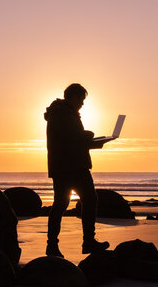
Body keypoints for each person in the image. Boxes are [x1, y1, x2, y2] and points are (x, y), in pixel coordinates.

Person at [44, 83, 110, 258]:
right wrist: (89, 135)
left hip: (76, 164)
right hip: (65, 166)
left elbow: (75, 141)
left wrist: (97, 143)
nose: (82, 103)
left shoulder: (69, 113)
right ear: (72, 96)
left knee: (88, 200)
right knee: (62, 204)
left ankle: (88, 241)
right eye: (80, 99)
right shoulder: (59, 113)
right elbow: (70, 137)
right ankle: (53, 245)